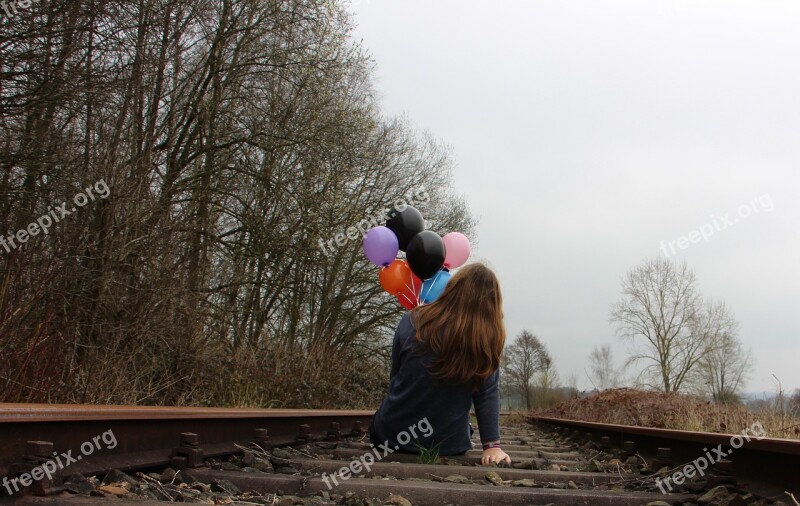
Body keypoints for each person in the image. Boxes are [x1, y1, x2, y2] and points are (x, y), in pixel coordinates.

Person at [369, 263, 511, 465]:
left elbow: (396, 378)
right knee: (461, 422)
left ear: (452, 288)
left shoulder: (412, 319)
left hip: (389, 438)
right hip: (449, 446)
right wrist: (492, 446)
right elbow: (487, 394)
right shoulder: (486, 340)